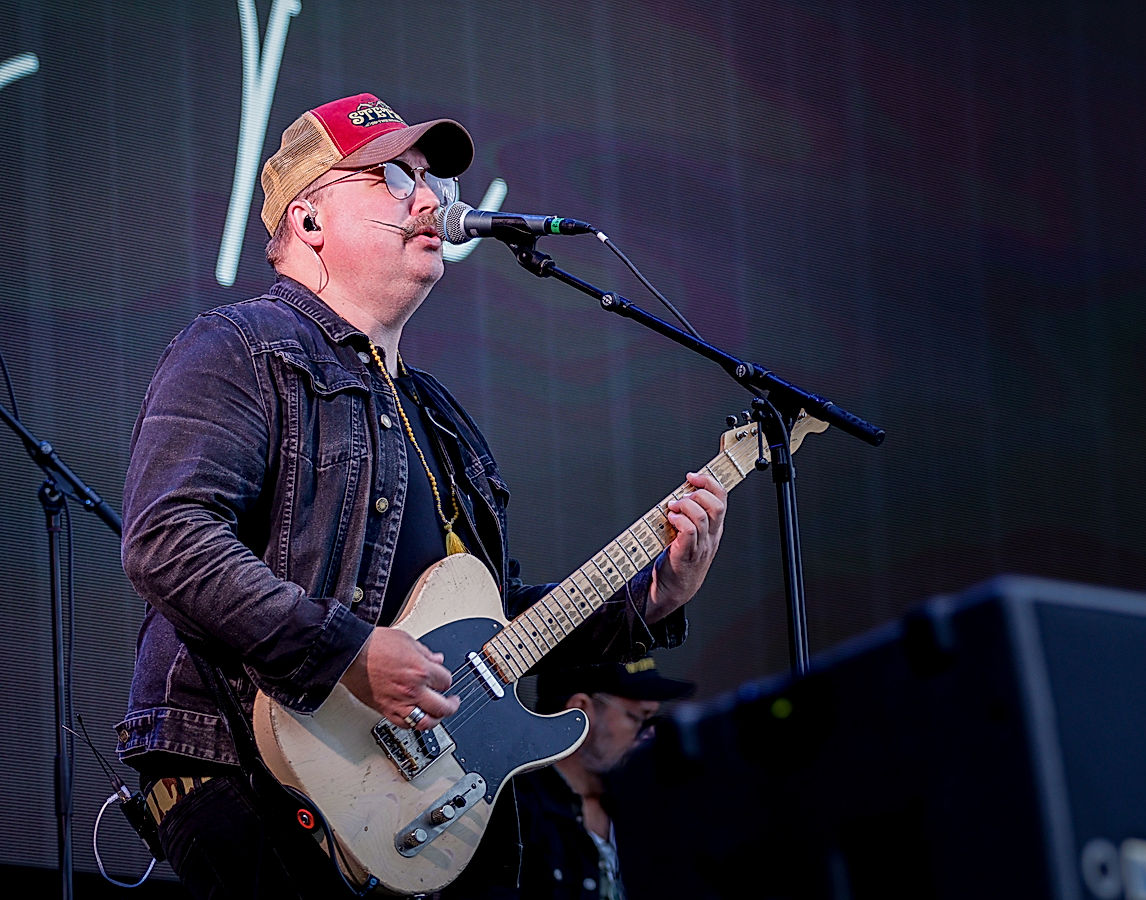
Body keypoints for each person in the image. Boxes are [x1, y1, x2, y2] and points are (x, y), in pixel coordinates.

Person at [113, 91, 727, 900]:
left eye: (428, 179)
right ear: (307, 222)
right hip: (249, 773)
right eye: (394, 179)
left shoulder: (438, 415)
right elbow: (168, 539)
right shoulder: (238, 346)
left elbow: (494, 623)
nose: (433, 198)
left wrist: (646, 598)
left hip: (403, 807)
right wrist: (350, 655)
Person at [514, 658, 696, 900]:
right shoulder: (515, 811)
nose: (649, 734)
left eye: (654, 720)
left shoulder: (643, 808)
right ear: (580, 708)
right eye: (638, 718)